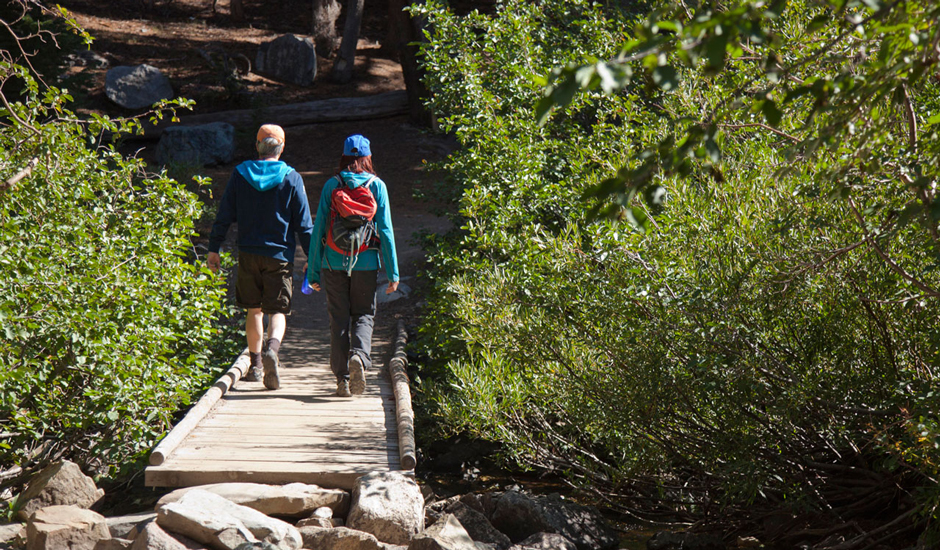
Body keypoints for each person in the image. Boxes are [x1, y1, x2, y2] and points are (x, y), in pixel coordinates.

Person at [207, 124, 314, 391]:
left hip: (248, 253)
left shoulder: (240, 174)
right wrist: (312, 257)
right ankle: (272, 351)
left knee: (253, 309)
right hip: (279, 256)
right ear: (282, 147)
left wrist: (213, 247)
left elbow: (224, 215)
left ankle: (255, 366)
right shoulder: (292, 177)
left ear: (257, 146)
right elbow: (304, 225)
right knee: (278, 311)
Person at [306, 134, 399, 397]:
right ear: (368, 157)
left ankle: (342, 380)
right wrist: (393, 273)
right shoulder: (377, 186)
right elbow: (387, 231)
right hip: (366, 262)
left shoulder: (330, 186)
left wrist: (313, 273)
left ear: (344, 156)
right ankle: (359, 355)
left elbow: (318, 233)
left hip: (333, 263)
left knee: (338, 319)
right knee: (364, 314)